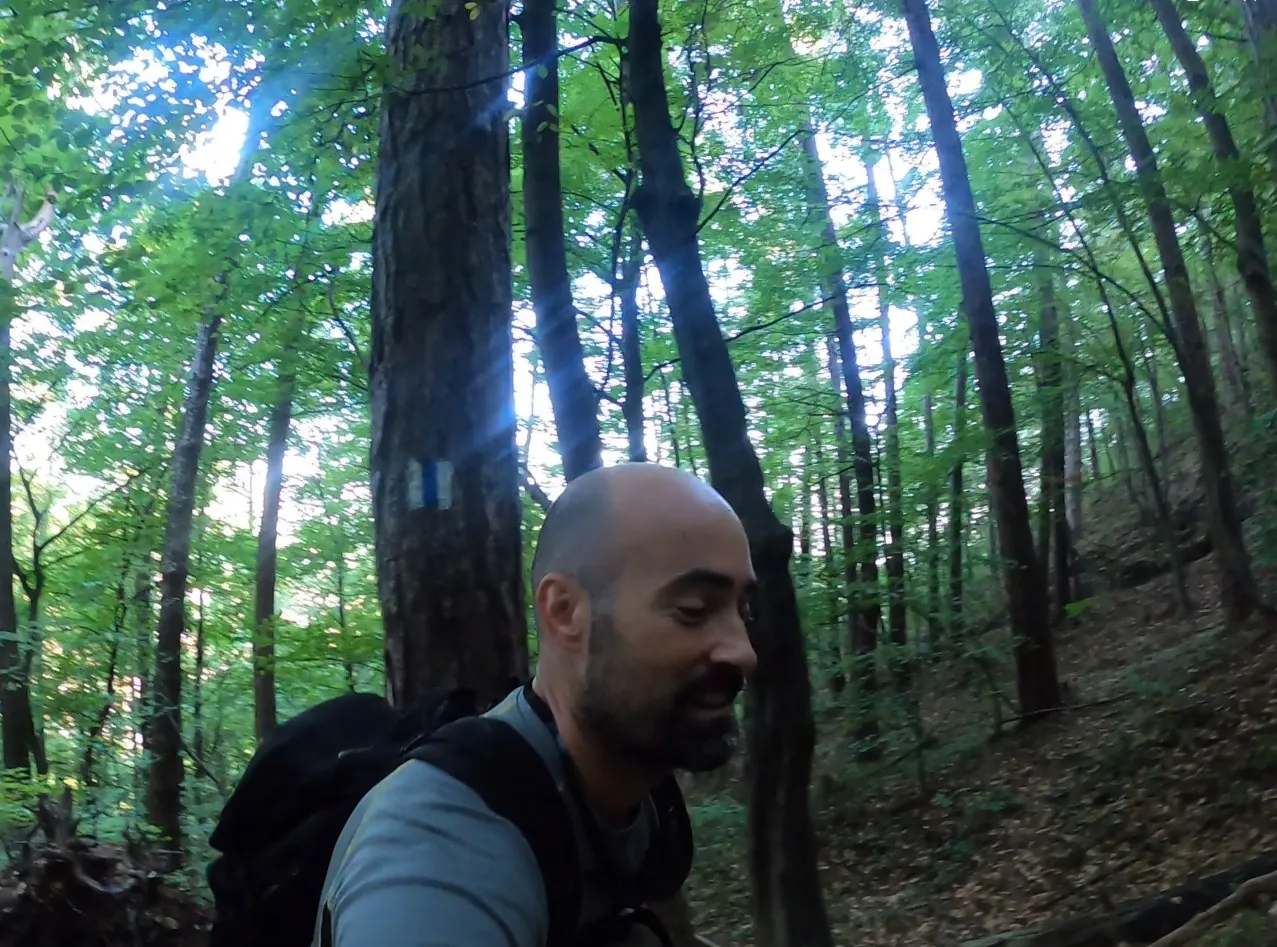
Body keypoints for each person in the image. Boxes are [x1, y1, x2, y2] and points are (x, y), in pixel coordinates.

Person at [313, 462, 759, 947]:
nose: (743, 652)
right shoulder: (440, 850)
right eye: (693, 610)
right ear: (566, 612)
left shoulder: (631, 796)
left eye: (743, 611)